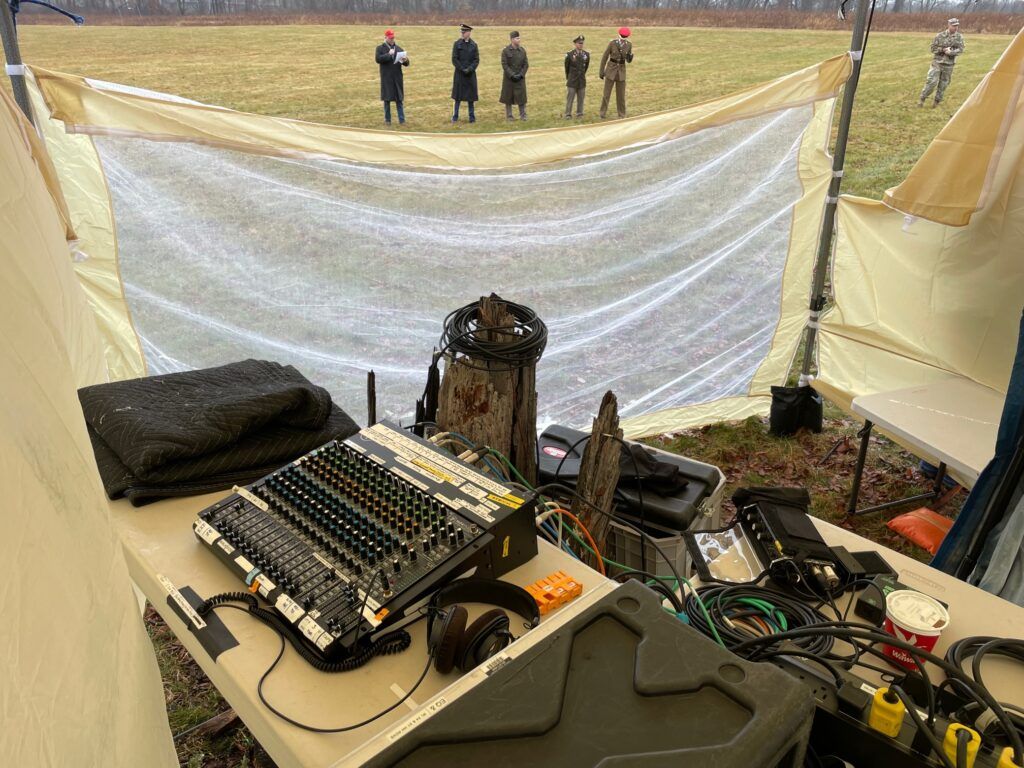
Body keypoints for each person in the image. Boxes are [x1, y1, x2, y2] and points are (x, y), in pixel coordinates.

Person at [919, 18, 965, 108]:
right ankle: (922, 99)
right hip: (937, 63)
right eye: (953, 25)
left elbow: (961, 49)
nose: (956, 27)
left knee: (943, 85)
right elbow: (933, 48)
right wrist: (943, 50)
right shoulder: (940, 36)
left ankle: (936, 103)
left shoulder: (959, 37)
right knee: (931, 82)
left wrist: (951, 52)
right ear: (948, 25)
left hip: (949, 65)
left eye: (957, 26)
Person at [375, 29, 410, 126]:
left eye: (393, 38)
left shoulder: (399, 49)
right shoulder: (380, 48)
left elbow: (407, 64)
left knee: (399, 100)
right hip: (386, 78)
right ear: (385, 38)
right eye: (390, 38)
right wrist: (388, 54)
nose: (392, 40)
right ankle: (387, 120)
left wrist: (405, 60)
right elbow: (378, 59)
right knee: (387, 100)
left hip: (397, 77)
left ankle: (402, 120)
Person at [599, 27, 634, 120]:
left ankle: (621, 114)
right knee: (606, 94)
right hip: (611, 71)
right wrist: (601, 71)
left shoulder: (629, 45)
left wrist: (630, 57)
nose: (624, 37)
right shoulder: (612, 43)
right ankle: (602, 113)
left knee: (621, 95)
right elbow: (605, 57)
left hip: (621, 72)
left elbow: (628, 60)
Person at [451, 23, 480, 123]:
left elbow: (476, 60)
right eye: (461, 32)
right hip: (459, 74)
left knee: (470, 97)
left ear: (469, 33)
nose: (462, 33)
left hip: (470, 75)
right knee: (457, 97)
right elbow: (454, 59)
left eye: (464, 32)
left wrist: (470, 69)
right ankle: (455, 116)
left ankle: (472, 117)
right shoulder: (457, 44)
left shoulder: (474, 45)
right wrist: (462, 68)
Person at [500, 30, 529, 121]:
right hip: (509, 79)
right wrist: (512, 75)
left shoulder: (522, 50)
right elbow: (504, 64)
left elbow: (526, 64)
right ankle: (509, 116)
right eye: (517, 38)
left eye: (519, 38)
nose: (519, 40)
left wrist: (521, 74)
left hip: (520, 78)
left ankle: (523, 115)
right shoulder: (505, 51)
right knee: (508, 97)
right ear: (512, 39)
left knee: (521, 98)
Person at [564, 35, 589, 119]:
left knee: (581, 98)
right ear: (575, 44)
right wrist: (569, 77)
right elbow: (566, 68)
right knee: (570, 98)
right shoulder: (570, 54)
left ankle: (580, 113)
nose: (581, 45)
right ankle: (568, 114)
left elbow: (585, 67)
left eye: (582, 43)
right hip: (572, 80)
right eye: (579, 43)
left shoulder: (586, 55)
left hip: (581, 80)